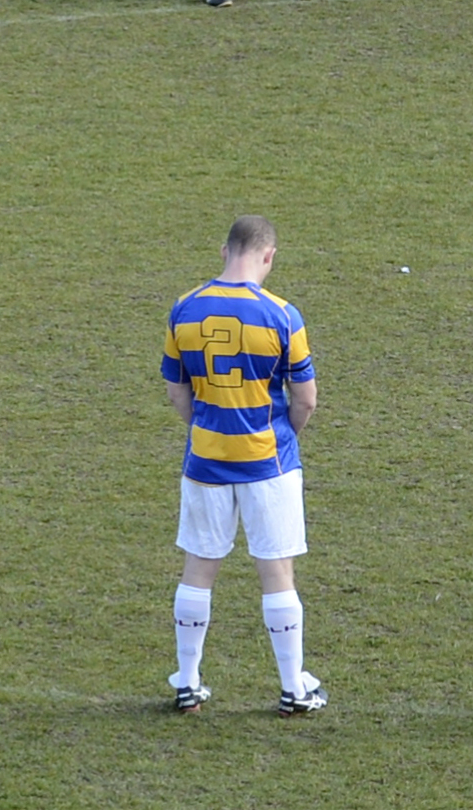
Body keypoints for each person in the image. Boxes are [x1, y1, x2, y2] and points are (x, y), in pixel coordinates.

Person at [161, 215, 326, 715]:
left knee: (198, 569)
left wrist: (209, 427)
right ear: (269, 255)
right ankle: (292, 689)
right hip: (268, 461)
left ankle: (187, 682)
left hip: (206, 459)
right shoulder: (282, 314)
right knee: (277, 573)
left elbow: (177, 393)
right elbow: (306, 399)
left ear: (223, 250)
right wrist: (280, 438)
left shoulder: (184, 309)